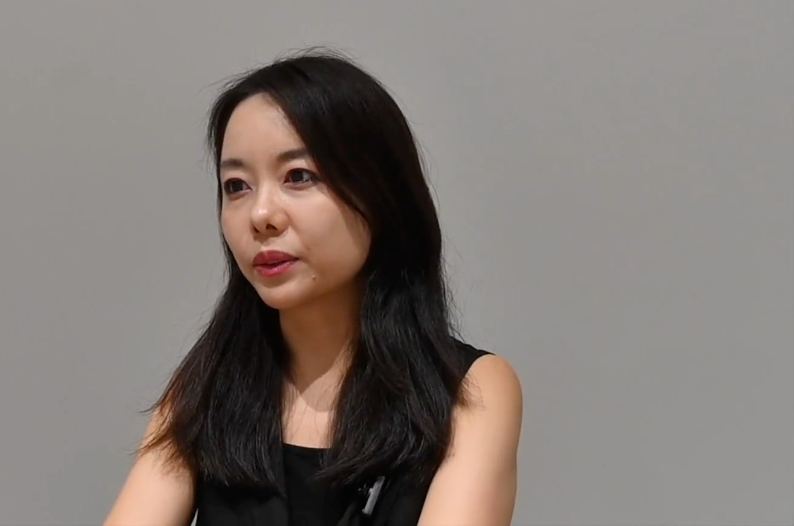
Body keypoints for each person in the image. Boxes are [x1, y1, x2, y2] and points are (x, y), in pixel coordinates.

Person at [104, 48, 523, 526]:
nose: (261, 215)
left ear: (380, 194)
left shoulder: (471, 390)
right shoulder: (204, 390)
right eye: (237, 185)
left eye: (298, 177)